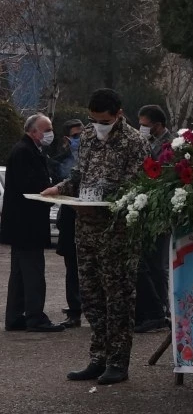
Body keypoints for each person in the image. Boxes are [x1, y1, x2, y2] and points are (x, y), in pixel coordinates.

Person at [41, 89, 149, 385]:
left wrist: (102, 196)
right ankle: (98, 357)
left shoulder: (135, 142)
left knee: (118, 298)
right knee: (91, 296)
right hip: (86, 228)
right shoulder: (88, 136)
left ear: (118, 114)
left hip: (117, 232)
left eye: (104, 121)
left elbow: (137, 185)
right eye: (93, 120)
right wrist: (60, 188)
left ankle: (118, 362)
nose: (98, 126)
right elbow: (79, 174)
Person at [1, 114, 64, 333]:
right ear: (33, 131)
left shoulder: (29, 150)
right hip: (27, 224)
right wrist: (52, 191)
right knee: (33, 272)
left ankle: (15, 316)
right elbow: (31, 186)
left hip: (21, 224)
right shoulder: (24, 152)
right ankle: (35, 317)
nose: (50, 134)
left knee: (20, 274)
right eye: (46, 130)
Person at [134, 104, 173, 333]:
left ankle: (162, 310)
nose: (141, 128)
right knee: (148, 263)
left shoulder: (170, 145)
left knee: (158, 265)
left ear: (158, 125)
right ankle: (154, 310)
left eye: (145, 125)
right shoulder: (146, 143)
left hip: (160, 211)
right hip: (146, 209)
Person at [52, 119, 85, 328]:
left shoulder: (96, 155)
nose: (80, 139)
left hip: (92, 219)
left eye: (82, 134)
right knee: (72, 268)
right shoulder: (59, 161)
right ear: (67, 139)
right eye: (75, 136)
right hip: (70, 219)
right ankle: (74, 310)